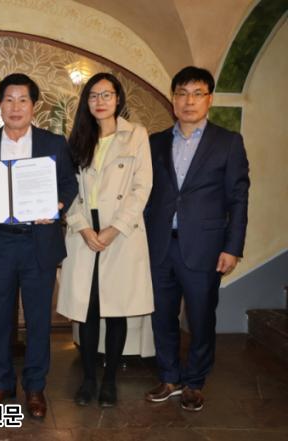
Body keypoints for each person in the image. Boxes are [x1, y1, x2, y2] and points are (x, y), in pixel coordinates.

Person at [0, 73, 77, 418]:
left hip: (38, 243)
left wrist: (56, 206)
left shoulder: (53, 143)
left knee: (38, 320)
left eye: (23, 100)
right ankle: (0, 384)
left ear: (34, 105)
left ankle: (35, 387)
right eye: (9, 100)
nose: (15, 107)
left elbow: (69, 185)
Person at [144, 66, 249, 412]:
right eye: (182, 93)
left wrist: (232, 247)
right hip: (160, 244)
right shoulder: (155, 142)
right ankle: (169, 377)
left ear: (209, 99)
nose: (189, 101)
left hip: (205, 247)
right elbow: (145, 195)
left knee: (201, 317)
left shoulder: (228, 142)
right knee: (162, 316)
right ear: (173, 99)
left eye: (197, 93)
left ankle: (194, 382)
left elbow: (238, 197)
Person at [58, 72, 154, 408]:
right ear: (86, 102)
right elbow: (68, 190)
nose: (100, 101)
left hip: (121, 230)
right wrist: (83, 227)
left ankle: (110, 380)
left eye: (106, 95)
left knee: (116, 309)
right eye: (93, 95)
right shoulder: (77, 140)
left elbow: (142, 187)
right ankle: (88, 379)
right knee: (88, 309)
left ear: (118, 99)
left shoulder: (136, 135)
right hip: (85, 230)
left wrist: (114, 229)